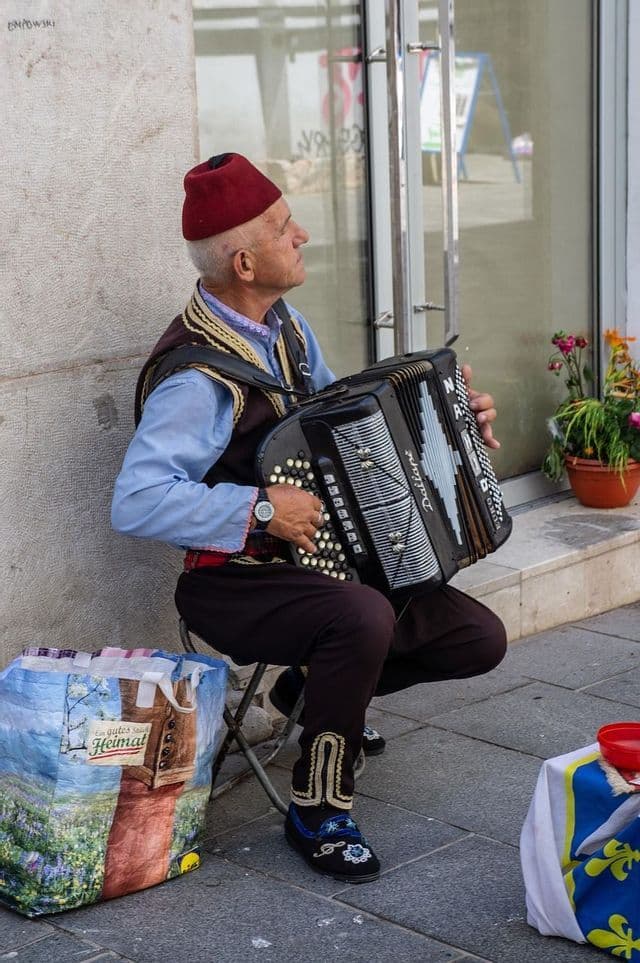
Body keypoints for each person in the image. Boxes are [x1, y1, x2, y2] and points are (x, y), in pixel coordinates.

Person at [112, 153, 507, 885]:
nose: (303, 235)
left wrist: (448, 427)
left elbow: (343, 421)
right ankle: (318, 804)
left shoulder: (285, 329)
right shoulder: (200, 381)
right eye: (282, 227)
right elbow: (134, 499)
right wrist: (259, 506)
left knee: (478, 637)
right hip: (231, 581)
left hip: (318, 566)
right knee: (360, 618)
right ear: (245, 261)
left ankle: (310, 692)